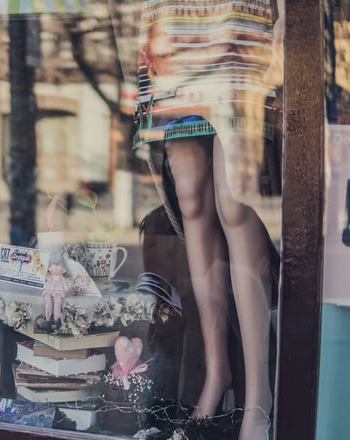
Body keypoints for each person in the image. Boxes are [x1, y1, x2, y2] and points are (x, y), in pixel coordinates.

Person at [133, 1, 283, 439]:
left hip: (237, 14)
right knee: (191, 196)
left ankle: (259, 394)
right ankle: (217, 374)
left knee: (235, 198)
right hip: (173, 18)